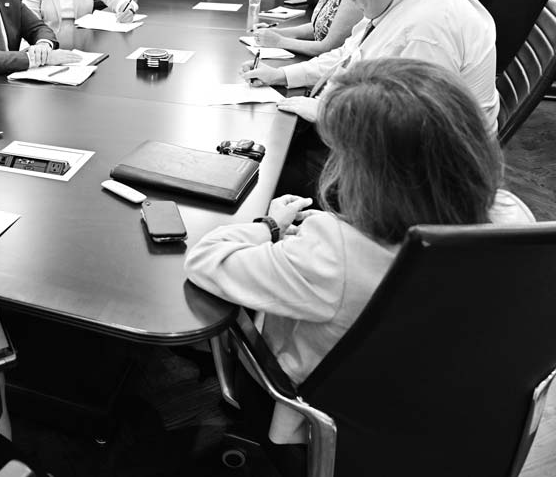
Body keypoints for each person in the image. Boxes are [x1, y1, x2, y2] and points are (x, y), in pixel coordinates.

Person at [185, 57, 534, 451]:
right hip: (448, 411)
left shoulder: (333, 253)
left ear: (369, 174)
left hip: (320, 427)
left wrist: (271, 226)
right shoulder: (513, 216)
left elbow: (205, 259)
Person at [242, 0, 499, 197]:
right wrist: (282, 74)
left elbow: (410, 132)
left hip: (421, 182)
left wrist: (326, 113)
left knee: (266, 175)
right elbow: (348, 54)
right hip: (382, 145)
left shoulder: (427, 29)